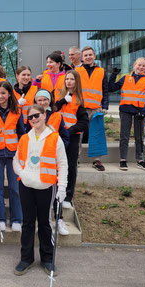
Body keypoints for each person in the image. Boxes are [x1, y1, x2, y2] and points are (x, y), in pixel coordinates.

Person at [12, 104, 68, 276]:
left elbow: (63, 164)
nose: (34, 119)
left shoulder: (54, 138)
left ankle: (47, 259)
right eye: (30, 117)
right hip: (26, 185)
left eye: (37, 115)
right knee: (28, 222)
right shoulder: (24, 138)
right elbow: (16, 160)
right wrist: (22, 172)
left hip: (45, 186)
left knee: (44, 223)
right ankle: (26, 258)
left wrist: (62, 187)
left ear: (44, 115)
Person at [53, 71, 88, 221]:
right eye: (67, 79)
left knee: (71, 165)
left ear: (76, 82)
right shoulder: (57, 94)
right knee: (55, 165)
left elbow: (84, 122)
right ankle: (55, 192)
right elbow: (51, 109)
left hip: (71, 137)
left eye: (72, 79)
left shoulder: (79, 99)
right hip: (56, 136)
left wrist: (71, 129)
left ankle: (68, 195)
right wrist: (62, 101)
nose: (69, 81)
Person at [109, 57, 145, 171]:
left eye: (144, 66)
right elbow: (111, 88)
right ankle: (123, 160)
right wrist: (113, 75)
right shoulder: (126, 78)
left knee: (139, 137)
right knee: (124, 136)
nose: (141, 67)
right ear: (134, 65)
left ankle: (140, 160)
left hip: (140, 111)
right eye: (139, 65)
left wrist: (144, 111)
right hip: (125, 110)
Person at [0, 81, 25, 232]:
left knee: (14, 187)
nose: (0, 96)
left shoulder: (17, 110)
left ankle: (16, 218)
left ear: (10, 93)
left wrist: (22, 152)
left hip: (13, 153)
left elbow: (21, 132)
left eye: (3, 93)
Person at [76, 46, 109, 171]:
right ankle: (76, 158)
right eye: (85, 55)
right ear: (82, 58)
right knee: (78, 134)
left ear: (94, 56)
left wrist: (105, 106)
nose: (88, 57)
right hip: (81, 108)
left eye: (90, 55)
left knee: (96, 134)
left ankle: (97, 160)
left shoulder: (101, 71)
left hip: (96, 109)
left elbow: (105, 90)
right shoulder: (77, 71)